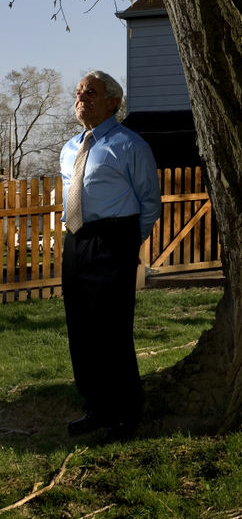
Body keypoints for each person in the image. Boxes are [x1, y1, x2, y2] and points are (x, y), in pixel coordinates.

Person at [60, 70, 161, 443]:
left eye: (91, 92)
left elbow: (150, 201)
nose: (81, 97)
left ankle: (124, 414)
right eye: (79, 92)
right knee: (81, 329)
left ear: (113, 102)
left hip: (113, 241)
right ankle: (96, 406)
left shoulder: (129, 145)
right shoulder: (69, 147)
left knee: (112, 330)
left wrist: (126, 243)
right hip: (76, 241)